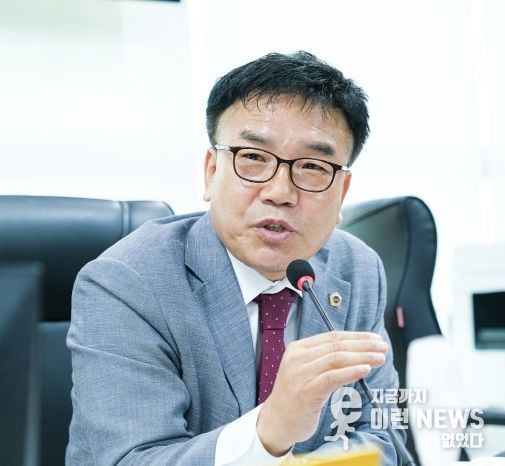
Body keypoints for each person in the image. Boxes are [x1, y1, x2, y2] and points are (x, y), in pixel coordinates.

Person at [66, 51, 404, 465]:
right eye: (254, 158)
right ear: (211, 172)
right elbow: (129, 459)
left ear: (342, 193)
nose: (280, 192)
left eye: (313, 167)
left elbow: (381, 434)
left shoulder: (357, 270)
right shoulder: (126, 282)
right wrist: (269, 432)